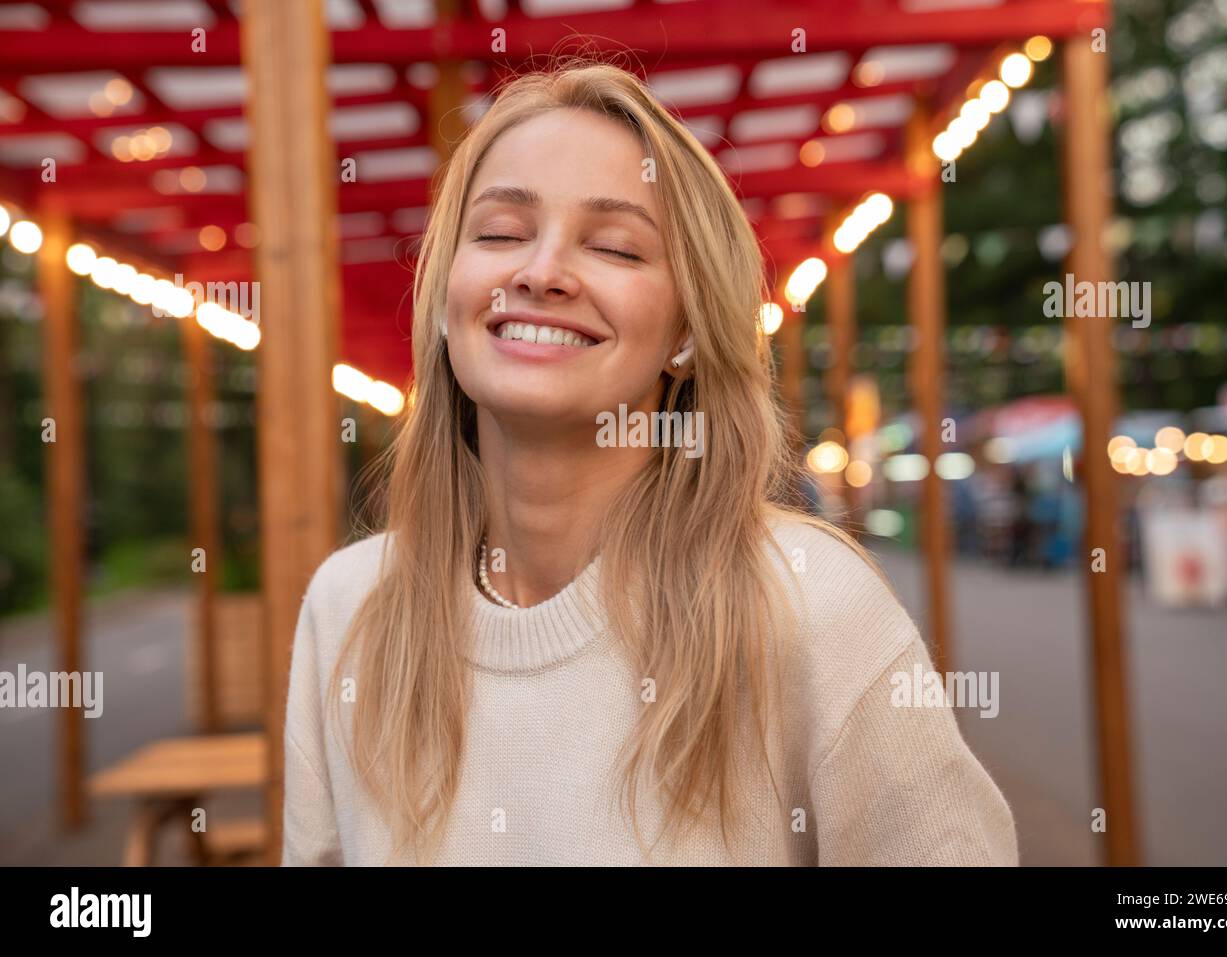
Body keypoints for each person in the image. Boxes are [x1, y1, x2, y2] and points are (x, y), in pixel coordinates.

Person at [281, 61, 1018, 866]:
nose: (540, 272)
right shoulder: (347, 607)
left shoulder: (811, 608)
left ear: (686, 333)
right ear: (446, 294)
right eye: (498, 232)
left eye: (614, 247)